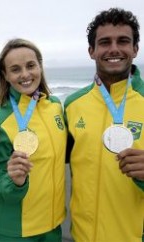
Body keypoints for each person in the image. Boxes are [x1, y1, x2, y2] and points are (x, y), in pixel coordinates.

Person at [64, 8, 144, 242]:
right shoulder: (72, 104)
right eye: (105, 42)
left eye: (123, 41)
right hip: (82, 235)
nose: (114, 49)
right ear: (92, 51)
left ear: (135, 49)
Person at [0, 38, 67, 241]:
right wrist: (13, 182)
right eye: (15, 69)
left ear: (40, 67)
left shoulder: (54, 106)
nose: (25, 74)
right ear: (6, 76)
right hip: (15, 231)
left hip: (53, 225)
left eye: (31, 65)